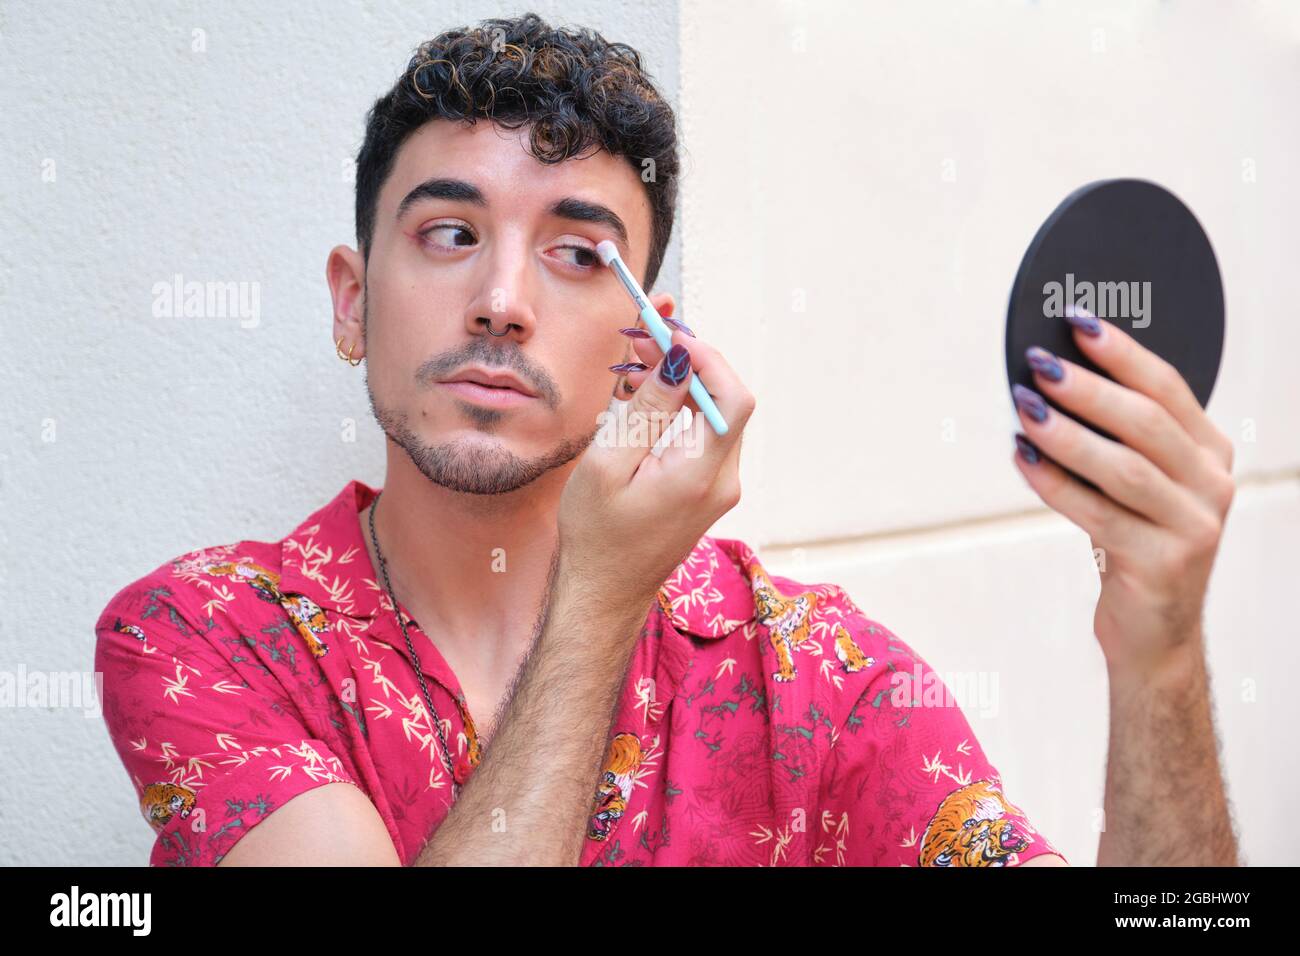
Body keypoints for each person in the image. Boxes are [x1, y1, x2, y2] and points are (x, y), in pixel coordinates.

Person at [93, 13, 1237, 867]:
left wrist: (1161, 658)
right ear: (352, 302)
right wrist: (596, 600)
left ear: (650, 342)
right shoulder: (208, 634)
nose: (500, 298)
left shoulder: (815, 679)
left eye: (578, 251)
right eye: (449, 233)